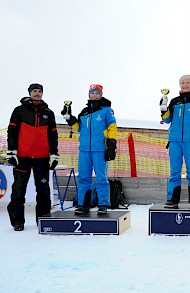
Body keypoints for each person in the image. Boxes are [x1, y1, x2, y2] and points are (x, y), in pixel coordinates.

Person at [6, 83, 59, 231]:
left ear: (42, 93)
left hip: (42, 158)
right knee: (18, 189)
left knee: (43, 190)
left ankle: (43, 220)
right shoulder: (19, 111)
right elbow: (12, 131)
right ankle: (17, 222)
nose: (37, 93)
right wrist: (11, 151)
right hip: (22, 157)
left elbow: (53, 135)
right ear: (30, 93)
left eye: (39, 91)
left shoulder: (49, 113)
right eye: (34, 91)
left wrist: (54, 154)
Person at [62, 84, 117, 215]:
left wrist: (111, 144)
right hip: (85, 150)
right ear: (89, 95)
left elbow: (112, 127)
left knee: (101, 178)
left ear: (101, 95)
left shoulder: (106, 110)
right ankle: (83, 204)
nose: (94, 95)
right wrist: (69, 119)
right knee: (83, 178)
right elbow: (78, 127)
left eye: (97, 93)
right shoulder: (84, 112)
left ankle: (103, 204)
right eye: (92, 93)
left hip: (99, 149)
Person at [160, 75, 190, 209]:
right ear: (179, 85)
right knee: (174, 171)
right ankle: (172, 200)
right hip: (174, 140)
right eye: (182, 82)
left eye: (188, 82)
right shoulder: (174, 102)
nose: (185, 84)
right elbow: (167, 119)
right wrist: (163, 108)